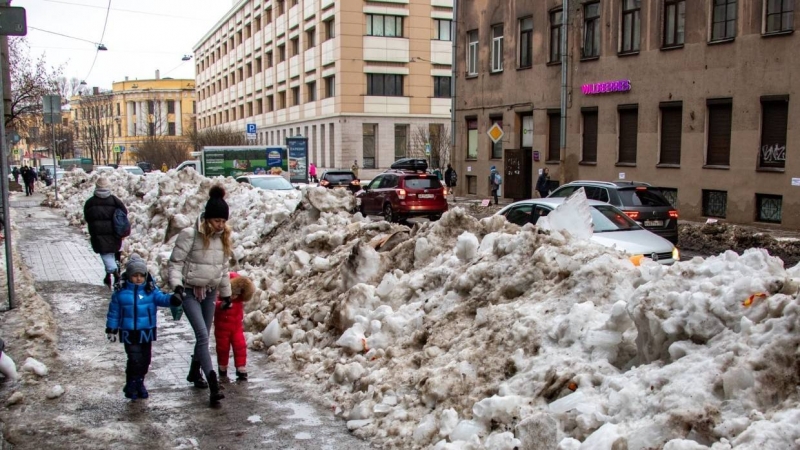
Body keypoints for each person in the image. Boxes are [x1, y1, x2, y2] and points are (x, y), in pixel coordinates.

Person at [168, 185, 232, 407]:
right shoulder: (189, 235)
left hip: (210, 291)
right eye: (216, 221)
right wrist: (177, 287)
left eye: (223, 221)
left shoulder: (223, 238)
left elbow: (223, 269)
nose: (220, 225)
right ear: (207, 218)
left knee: (203, 336)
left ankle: (195, 372)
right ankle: (213, 384)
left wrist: (226, 295)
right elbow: (175, 263)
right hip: (189, 291)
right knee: (203, 336)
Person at [105, 254, 183, 401]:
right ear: (129, 276)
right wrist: (111, 328)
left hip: (146, 332)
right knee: (134, 359)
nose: (138, 278)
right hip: (129, 332)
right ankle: (131, 384)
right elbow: (114, 312)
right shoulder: (120, 292)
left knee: (145, 360)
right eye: (135, 275)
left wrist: (173, 299)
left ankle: (140, 382)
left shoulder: (150, 291)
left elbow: (162, 298)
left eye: (141, 275)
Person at [84, 176, 127, 289]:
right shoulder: (115, 200)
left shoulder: (90, 202)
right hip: (114, 233)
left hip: (98, 234)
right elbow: (124, 213)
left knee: (105, 253)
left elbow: (87, 217)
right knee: (114, 253)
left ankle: (111, 273)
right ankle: (115, 274)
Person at [214, 272, 255, 383]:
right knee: (222, 348)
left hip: (236, 328)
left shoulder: (239, 300)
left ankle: (241, 367)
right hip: (222, 329)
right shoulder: (220, 298)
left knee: (240, 346)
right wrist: (221, 305)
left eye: (237, 293)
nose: (234, 296)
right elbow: (214, 305)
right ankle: (222, 366)